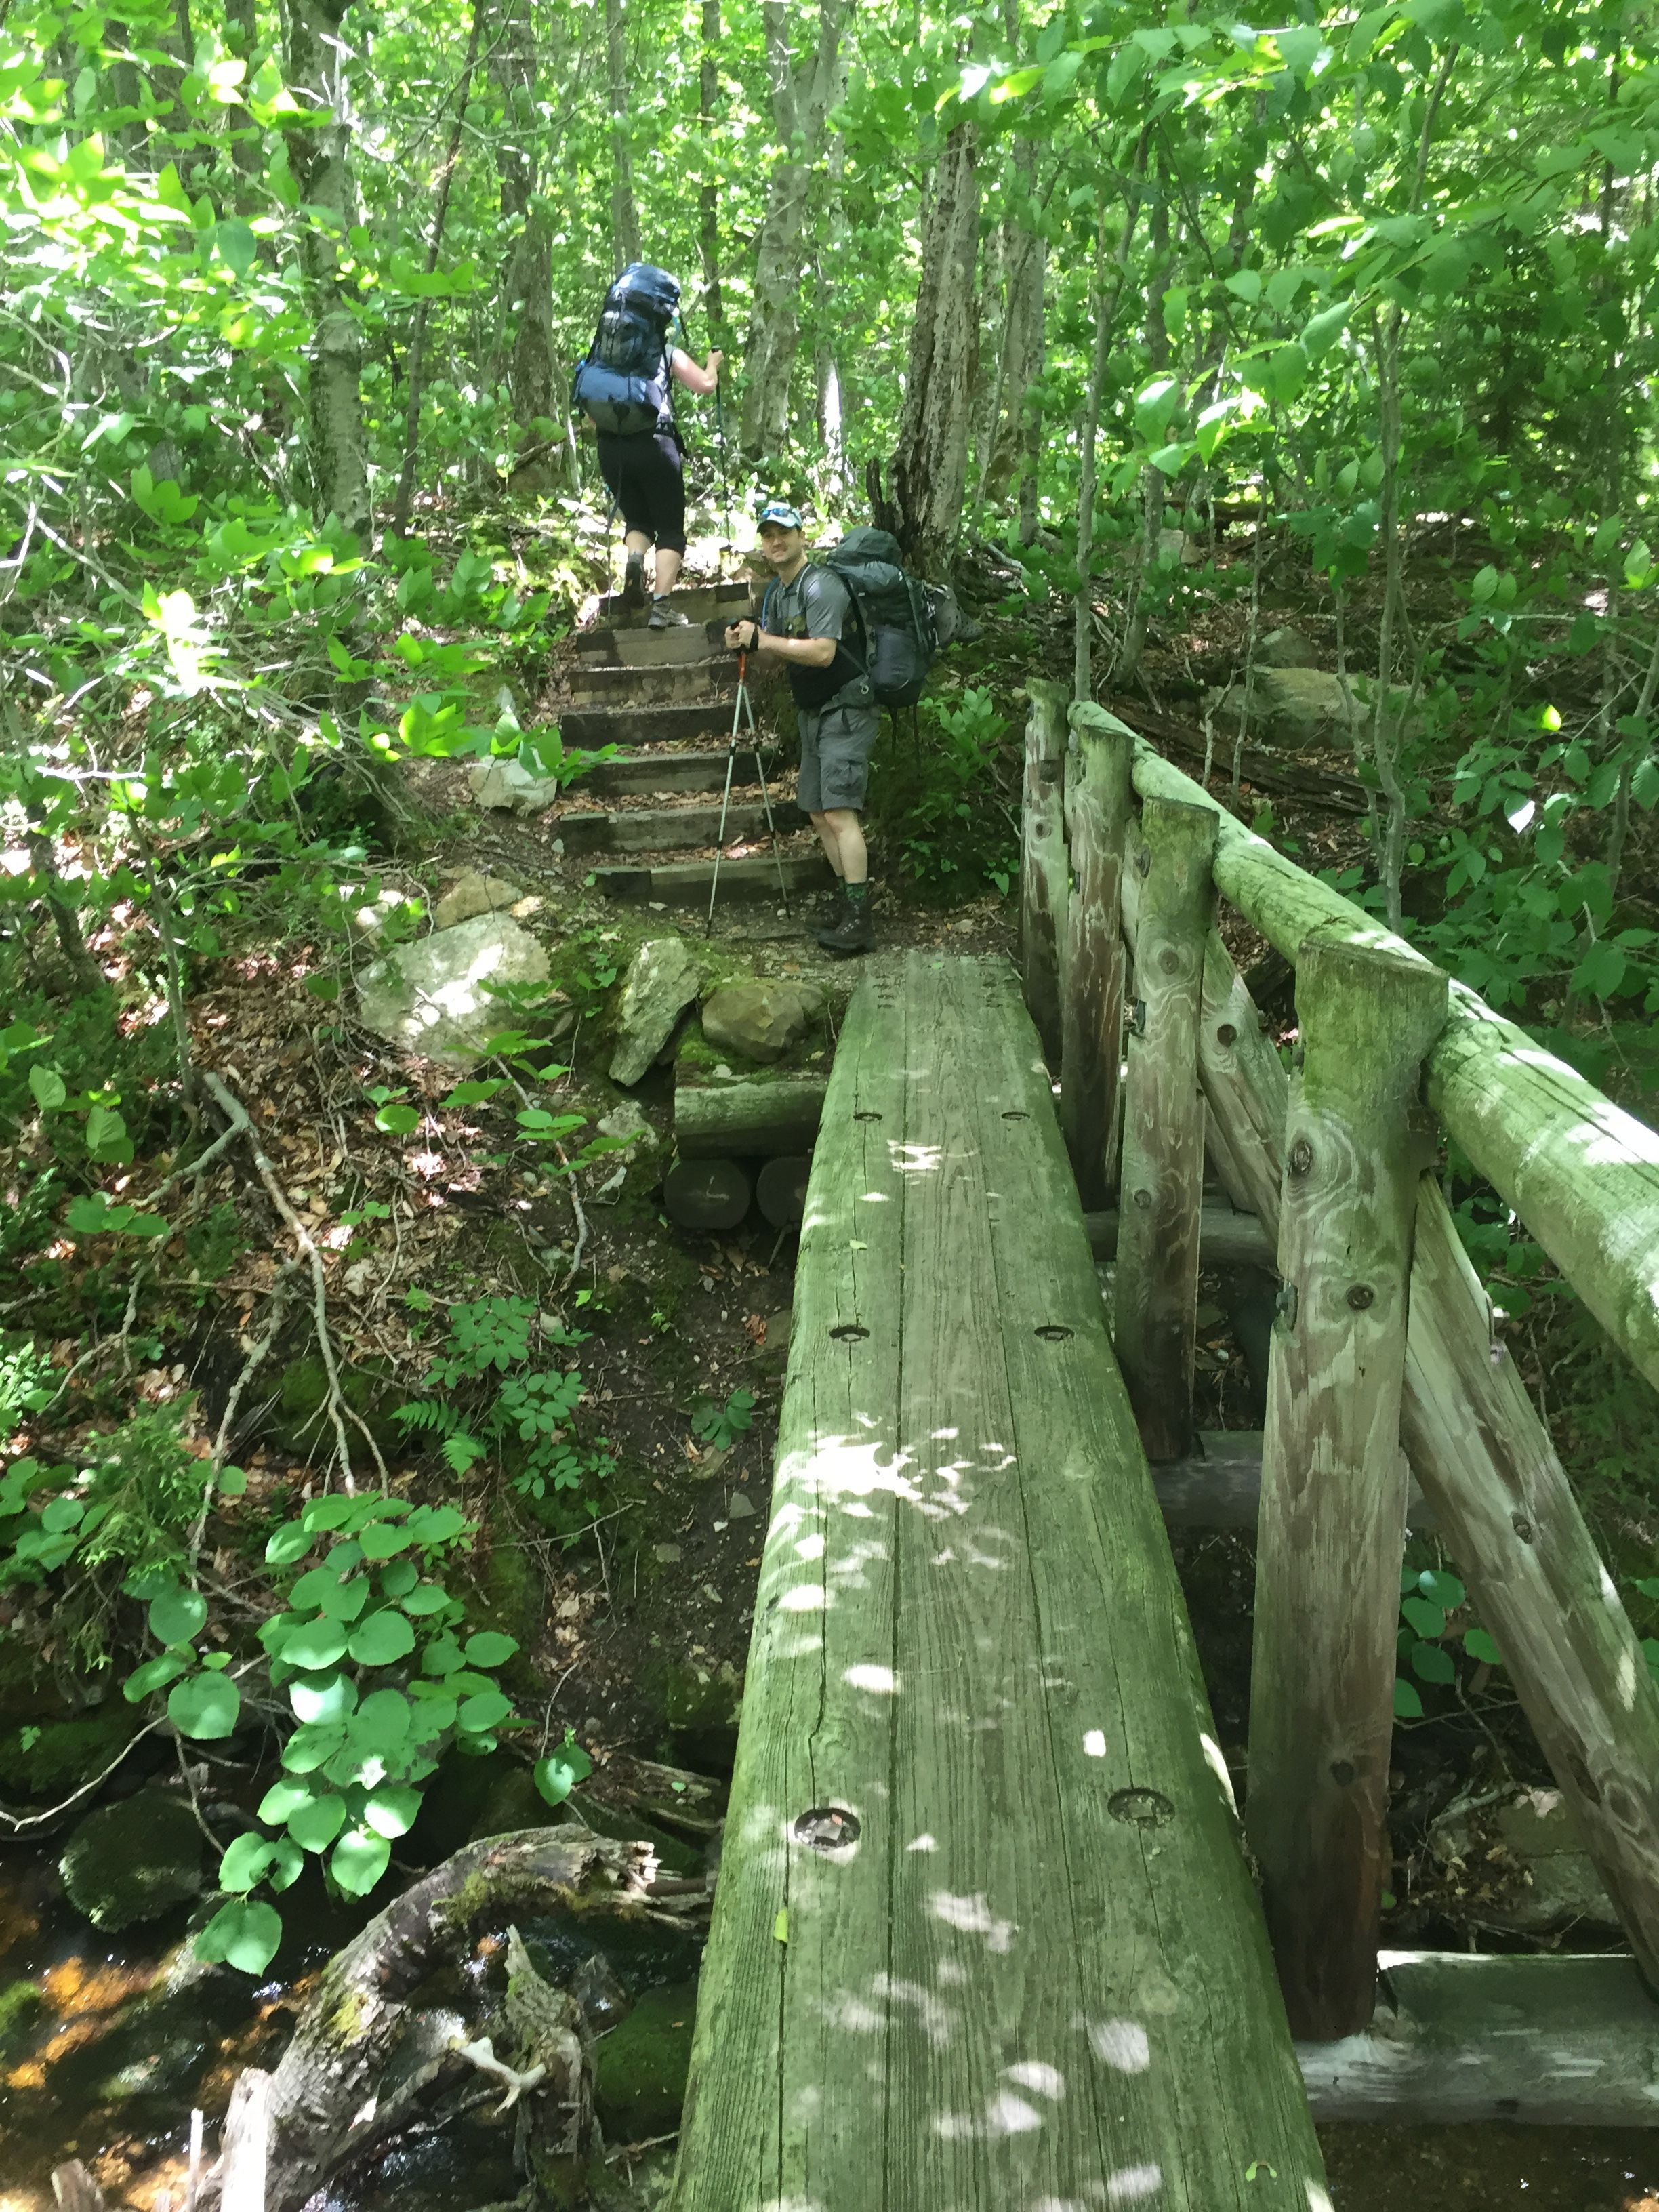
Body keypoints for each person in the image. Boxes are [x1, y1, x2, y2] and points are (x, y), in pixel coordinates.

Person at [725, 501, 877, 955]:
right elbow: (781, 651)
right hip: (813, 711)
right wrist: (745, 641)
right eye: (768, 534)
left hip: (847, 708)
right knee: (816, 810)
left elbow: (825, 652)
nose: (776, 541)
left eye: (784, 532)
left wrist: (765, 639)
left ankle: (860, 918)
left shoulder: (821, 585)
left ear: (801, 536)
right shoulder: (778, 593)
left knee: (839, 813)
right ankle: (845, 900)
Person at [599, 338, 722, 628]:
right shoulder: (664, 351)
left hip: (610, 448)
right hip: (655, 441)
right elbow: (705, 384)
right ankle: (662, 607)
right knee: (669, 528)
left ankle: (635, 559)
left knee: (637, 518)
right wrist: (713, 364)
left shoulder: (604, 354)